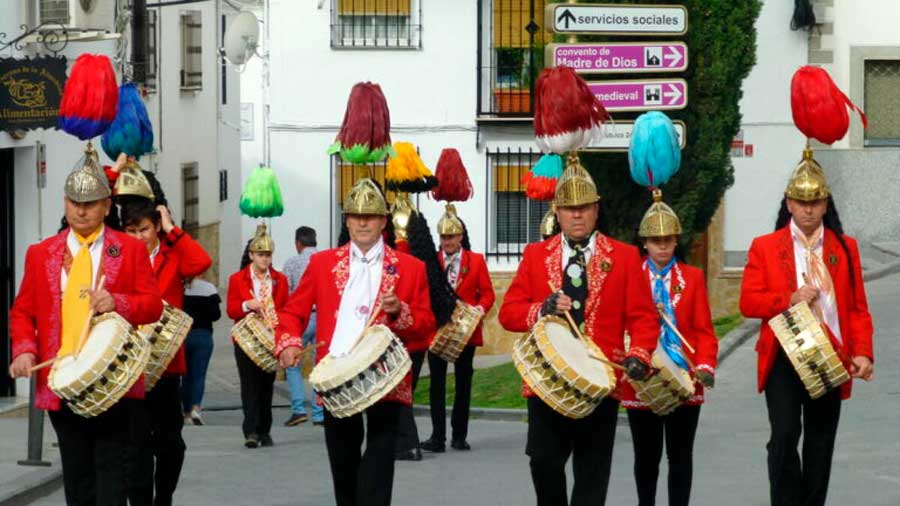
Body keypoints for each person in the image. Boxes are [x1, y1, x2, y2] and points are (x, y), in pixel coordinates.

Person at [499, 158, 659, 506]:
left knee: (592, 475)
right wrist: (540, 308)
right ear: (557, 211)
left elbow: (644, 318)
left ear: (596, 210)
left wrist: (639, 354)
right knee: (543, 462)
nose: (576, 215)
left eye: (583, 208)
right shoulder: (535, 255)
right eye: (569, 208)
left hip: (600, 384)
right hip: (548, 383)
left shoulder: (626, 256)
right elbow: (508, 313)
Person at [8, 151, 163, 505]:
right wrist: (24, 349)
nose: (81, 210)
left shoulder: (129, 249)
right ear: (65, 202)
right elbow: (22, 311)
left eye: (90, 203)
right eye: (75, 202)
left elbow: (152, 305)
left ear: (107, 206)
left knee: (111, 481)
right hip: (61, 381)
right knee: (77, 482)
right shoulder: (40, 253)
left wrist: (117, 302)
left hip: (113, 382)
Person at [275, 178, 435, 506]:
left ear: (383, 221)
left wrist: (400, 311)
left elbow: (426, 327)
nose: (363, 222)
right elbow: (293, 311)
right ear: (346, 219)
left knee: (377, 471)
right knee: (344, 468)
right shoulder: (321, 264)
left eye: (371, 215)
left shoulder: (410, 267)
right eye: (356, 215)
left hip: (387, 381)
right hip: (338, 378)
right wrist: (289, 343)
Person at [619, 192, 718, 506]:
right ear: (644, 243)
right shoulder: (629, 276)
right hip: (641, 378)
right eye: (655, 239)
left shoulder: (693, 277)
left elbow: (704, 331)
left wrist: (705, 364)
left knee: (680, 457)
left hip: (683, 379)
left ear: (677, 241)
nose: (662, 245)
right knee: (646, 458)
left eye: (668, 239)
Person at [118, 195, 212, 506]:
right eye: (130, 231)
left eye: (143, 229)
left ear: (156, 227)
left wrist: (173, 229)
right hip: (130, 367)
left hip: (167, 367)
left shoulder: (173, 257)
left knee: (171, 444)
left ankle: (165, 497)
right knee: (136, 445)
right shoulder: (118, 258)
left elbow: (201, 263)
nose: (137, 237)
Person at [420, 207, 495, 452]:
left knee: (463, 385)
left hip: (467, 333)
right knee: (436, 385)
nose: (447, 242)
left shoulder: (476, 261)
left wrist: (477, 312)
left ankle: (459, 436)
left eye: (451, 237)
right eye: (443, 238)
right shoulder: (432, 263)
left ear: (461, 236)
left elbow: (488, 294)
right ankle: (437, 437)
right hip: (439, 331)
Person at [227, 224, 289, 448]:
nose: (265, 259)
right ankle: (251, 430)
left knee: (266, 385)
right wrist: (247, 304)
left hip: (270, 338)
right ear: (252, 255)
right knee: (249, 385)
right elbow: (231, 310)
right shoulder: (237, 279)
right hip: (246, 340)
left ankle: (265, 429)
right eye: (261, 255)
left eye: (268, 255)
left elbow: (285, 310)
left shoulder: (280, 280)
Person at [281, 226, 323, 426]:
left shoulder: (291, 262)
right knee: (320, 365)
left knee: (293, 363)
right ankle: (319, 412)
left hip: (302, 317)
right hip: (323, 317)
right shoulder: (324, 260)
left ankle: (298, 409)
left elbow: (287, 292)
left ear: (298, 243)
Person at [181, 277, 221, 425]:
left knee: (185, 376)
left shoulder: (180, 288)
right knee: (199, 375)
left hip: (184, 335)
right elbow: (216, 315)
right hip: (204, 335)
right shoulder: (209, 288)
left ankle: (185, 412)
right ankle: (196, 408)